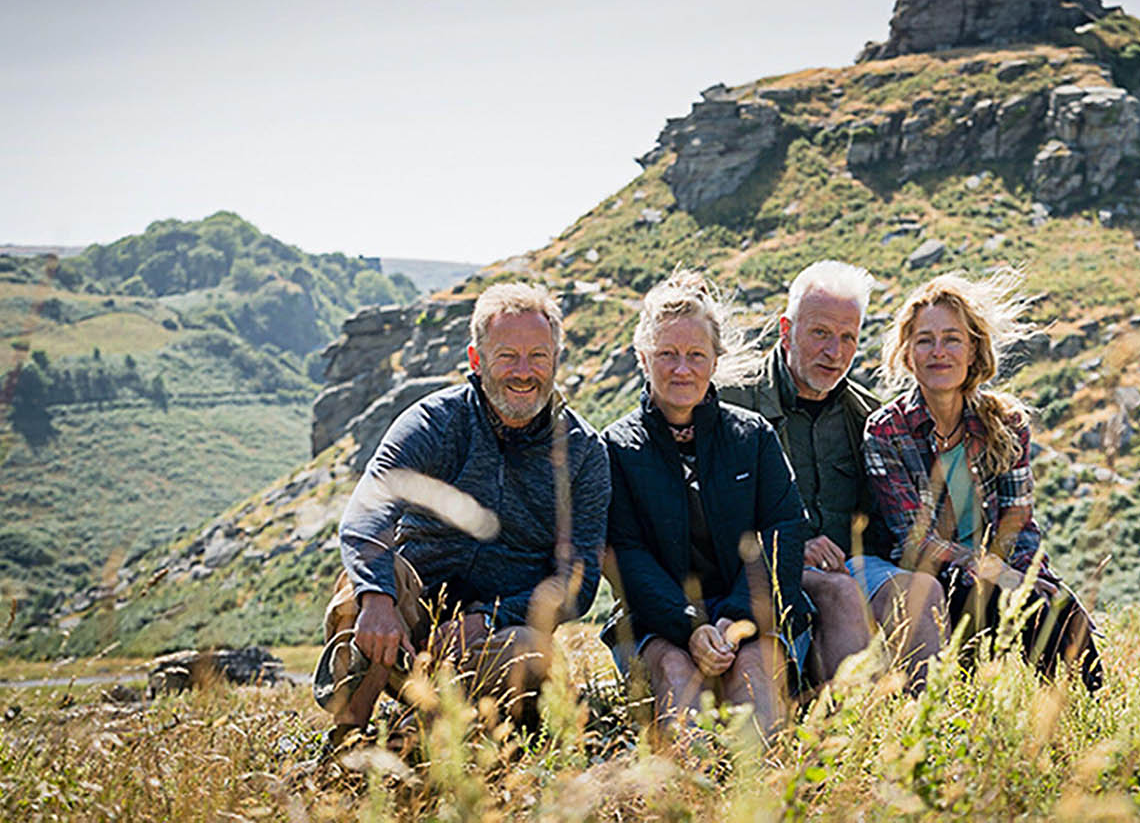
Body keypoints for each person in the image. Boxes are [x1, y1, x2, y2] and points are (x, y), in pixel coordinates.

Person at [316, 281, 611, 739]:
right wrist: (378, 597)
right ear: (476, 359)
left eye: (539, 355)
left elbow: (579, 579)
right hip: (408, 635)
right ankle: (346, 738)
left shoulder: (583, 452)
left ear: (556, 358)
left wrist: (491, 618)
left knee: (536, 654)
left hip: (498, 642)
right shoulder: (434, 421)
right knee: (369, 583)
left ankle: (410, 738)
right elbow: (366, 510)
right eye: (506, 355)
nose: (524, 371)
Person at [863, 270, 1102, 689]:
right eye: (925, 340)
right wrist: (991, 571)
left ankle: (1084, 721)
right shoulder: (886, 431)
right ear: (907, 353)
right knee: (989, 596)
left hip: (1004, 572)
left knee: (1057, 613)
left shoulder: (1006, 422)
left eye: (952, 339)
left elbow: (1020, 523)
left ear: (973, 349)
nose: (939, 352)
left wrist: (1028, 577)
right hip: (940, 578)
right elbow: (914, 541)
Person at [603, 270, 810, 743]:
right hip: (657, 621)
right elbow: (624, 554)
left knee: (753, 673)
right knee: (678, 674)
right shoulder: (616, 448)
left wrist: (734, 621)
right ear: (642, 358)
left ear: (716, 359)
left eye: (696, 355)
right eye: (667, 355)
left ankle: (761, 797)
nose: (682, 369)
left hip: (749, 617)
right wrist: (690, 626)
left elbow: (782, 531)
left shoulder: (753, 436)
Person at [721, 261, 947, 692]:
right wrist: (792, 545)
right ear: (786, 330)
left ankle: (929, 740)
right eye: (820, 333)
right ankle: (855, 741)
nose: (835, 352)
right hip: (761, 564)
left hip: (848, 564)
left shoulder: (865, 415)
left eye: (848, 338)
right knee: (840, 595)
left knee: (922, 593)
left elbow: (883, 524)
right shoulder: (732, 401)